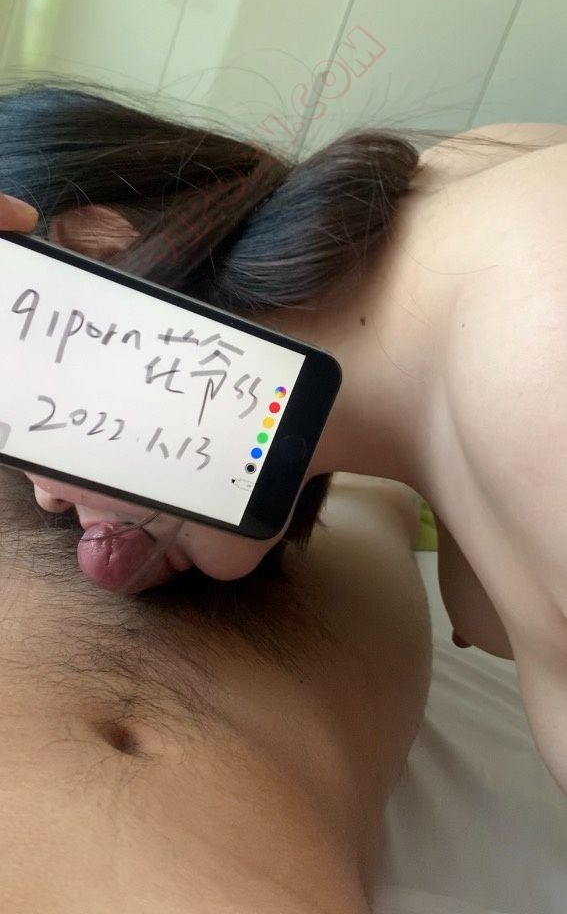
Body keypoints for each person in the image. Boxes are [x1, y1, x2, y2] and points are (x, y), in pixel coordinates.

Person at [1, 83, 566, 799]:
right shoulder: (463, 179)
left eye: (20, 421)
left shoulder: (540, 351)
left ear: (100, 246)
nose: (48, 498)